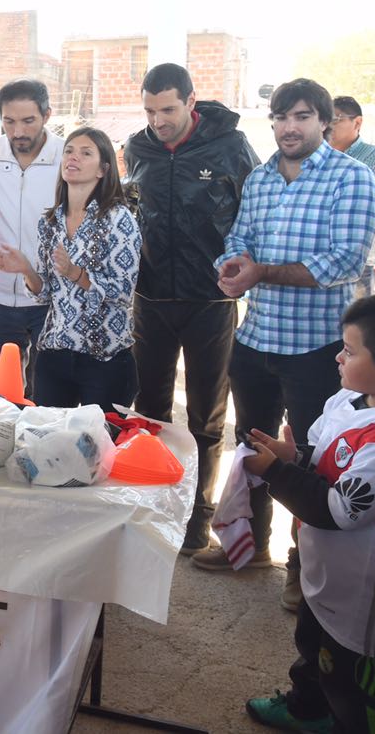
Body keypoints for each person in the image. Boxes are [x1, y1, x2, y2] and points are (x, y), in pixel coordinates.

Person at [197, 80, 375, 610]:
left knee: (315, 461)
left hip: (319, 347)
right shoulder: (260, 177)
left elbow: (345, 261)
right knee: (251, 445)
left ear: (324, 121)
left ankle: (303, 569)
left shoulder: (352, 177)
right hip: (256, 338)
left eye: (301, 116)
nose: (288, 127)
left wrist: (261, 272)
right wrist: (232, 268)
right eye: (280, 117)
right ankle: (249, 545)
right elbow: (239, 239)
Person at [122, 63, 258, 556]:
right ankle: (155, 506)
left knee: (206, 416)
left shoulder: (230, 146)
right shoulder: (137, 148)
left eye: (168, 110)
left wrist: (245, 266)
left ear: (191, 101)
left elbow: (255, 211)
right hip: (151, 300)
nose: (158, 121)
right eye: (149, 111)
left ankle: (199, 518)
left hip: (211, 301)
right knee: (150, 412)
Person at [242, 296, 375, 733]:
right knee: (313, 639)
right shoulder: (347, 399)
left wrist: (276, 472)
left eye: (350, 351)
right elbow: (322, 456)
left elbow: (339, 509)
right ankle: (308, 707)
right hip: (325, 570)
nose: (338, 356)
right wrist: (294, 456)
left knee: (349, 676)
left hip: (363, 596)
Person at [0, 128, 140, 409]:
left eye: (86, 153)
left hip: (105, 358)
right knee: (48, 434)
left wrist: (77, 274)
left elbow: (123, 292)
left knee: (101, 438)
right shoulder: (50, 221)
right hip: (55, 353)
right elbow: (44, 294)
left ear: (103, 169)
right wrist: (26, 270)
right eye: (69, 151)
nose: (73, 158)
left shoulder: (118, 218)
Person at [0, 79, 63, 398]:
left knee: (50, 394)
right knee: (2, 394)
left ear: (47, 115)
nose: (18, 131)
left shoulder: (68, 156)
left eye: (28, 121)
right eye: (9, 121)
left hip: (52, 296)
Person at [327, 96, 375, 300]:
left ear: (357, 122)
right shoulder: (315, 158)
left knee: (357, 318)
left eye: (335, 119)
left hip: (359, 260)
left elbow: (372, 204)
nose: (327, 126)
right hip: (318, 259)